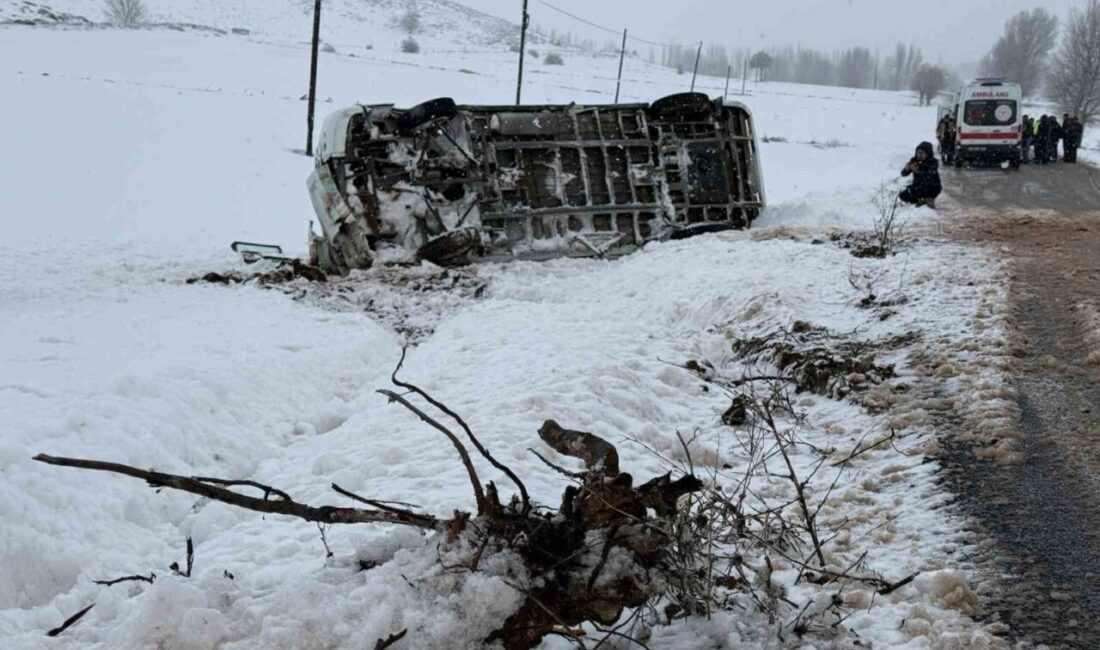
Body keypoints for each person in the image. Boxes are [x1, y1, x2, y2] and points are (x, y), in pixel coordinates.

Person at [900, 141, 942, 208]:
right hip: (918, 185)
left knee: (924, 187)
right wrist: (906, 169)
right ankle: (920, 200)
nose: (919, 155)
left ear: (927, 154)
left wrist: (917, 171)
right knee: (903, 195)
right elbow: (903, 174)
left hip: (931, 187)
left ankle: (928, 199)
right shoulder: (914, 161)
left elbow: (928, 176)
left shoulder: (933, 162)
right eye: (918, 153)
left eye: (922, 153)